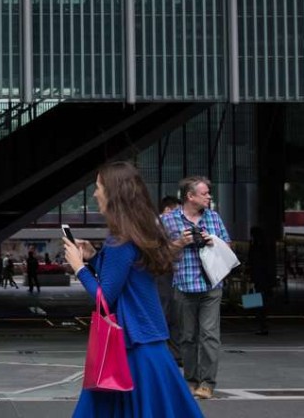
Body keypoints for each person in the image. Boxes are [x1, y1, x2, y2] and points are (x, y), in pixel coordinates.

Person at [63, 161, 203, 417]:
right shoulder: (136, 233)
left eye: (98, 187)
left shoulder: (120, 241)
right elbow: (127, 277)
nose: (95, 193)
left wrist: (79, 267)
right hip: (148, 344)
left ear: (113, 193)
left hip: (131, 348)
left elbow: (104, 297)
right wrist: (94, 257)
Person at [161, 176, 232, 400]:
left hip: (211, 284)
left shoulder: (213, 217)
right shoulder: (169, 220)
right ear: (190, 197)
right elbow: (160, 254)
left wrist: (213, 241)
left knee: (210, 336)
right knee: (187, 337)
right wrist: (179, 243)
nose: (209, 196)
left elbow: (228, 246)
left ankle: (207, 383)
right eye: (205, 193)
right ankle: (190, 380)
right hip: (184, 285)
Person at [156, 195, 182, 361]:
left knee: (173, 313)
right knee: (167, 312)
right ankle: (169, 353)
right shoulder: (158, 225)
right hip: (163, 274)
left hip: (170, 274)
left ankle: (174, 353)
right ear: (167, 210)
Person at [247, 226, 276, 335]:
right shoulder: (266, 246)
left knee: (258, 302)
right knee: (264, 302)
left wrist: (252, 277)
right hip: (265, 279)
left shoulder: (255, 247)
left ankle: (261, 324)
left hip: (258, 279)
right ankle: (262, 324)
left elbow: (253, 263)